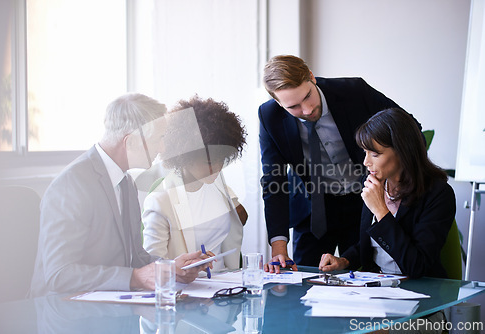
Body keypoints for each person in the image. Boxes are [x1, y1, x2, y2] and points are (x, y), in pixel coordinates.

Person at [29, 93, 207, 297]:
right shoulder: (71, 186)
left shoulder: (125, 182)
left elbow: (135, 258)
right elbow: (59, 275)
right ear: (130, 142)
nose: (162, 148)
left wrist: (170, 267)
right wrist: (135, 278)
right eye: (158, 139)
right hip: (62, 313)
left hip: (105, 306)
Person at [259, 55, 411, 271]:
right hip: (313, 211)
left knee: (365, 276)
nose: (307, 110)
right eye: (294, 106)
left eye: (308, 96)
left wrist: (392, 184)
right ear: (278, 103)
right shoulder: (269, 116)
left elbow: (410, 128)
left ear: (311, 77)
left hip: (364, 202)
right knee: (304, 285)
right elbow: (273, 179)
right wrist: (279, 248)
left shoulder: (354, 92)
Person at [319, 108, 456, 278]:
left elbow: (417, 266)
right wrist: (345, 260)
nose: (366, 162)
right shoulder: (373, 182)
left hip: (418, 291)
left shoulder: (438, 194)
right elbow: (371, 242)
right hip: (377, 285)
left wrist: (381, 211)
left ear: (402, 152)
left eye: (375, 154)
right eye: (365, 152)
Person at [142, 96, 248, 271]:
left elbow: (239, 216)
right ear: (184, 157)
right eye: (208, 162)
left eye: (221, 160)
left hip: (228, 284)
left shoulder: (217, 183)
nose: (217, 168)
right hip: (189, 290)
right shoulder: (160, 201)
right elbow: (153, 266)